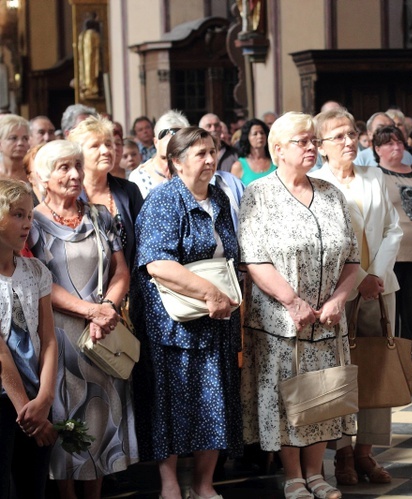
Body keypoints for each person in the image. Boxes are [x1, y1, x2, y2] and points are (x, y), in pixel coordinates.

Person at [239, 112, 358, 499]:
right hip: (282, 320)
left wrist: (339, 299)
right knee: (288, 398)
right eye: (302, 141)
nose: (311, 147)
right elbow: (254, 259)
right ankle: (293, 476)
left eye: (313, 141)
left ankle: (317, 473)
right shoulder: (259, 194)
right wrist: (292, 301)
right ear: (277, 150)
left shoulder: (330, 193)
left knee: (323, 395)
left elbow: (353, 259)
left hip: (327, 319)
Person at [131, 127, 243, 499]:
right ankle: (169, 485)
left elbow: (228, 255)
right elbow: (156, 264)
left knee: (216, 401)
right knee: (172, 404)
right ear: (176, 162)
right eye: (200, 154)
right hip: (175, 325)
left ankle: (204, 484)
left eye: (213, 152)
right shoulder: (165, 201)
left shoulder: (220, 199)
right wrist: (209, 292)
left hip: (217, 321)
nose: (210, 160)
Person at [28, 140, 138, 497]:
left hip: (103, 334)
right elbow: (42, 279)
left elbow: (121, 271)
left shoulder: (99, 215)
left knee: (102, 418)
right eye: (63, 167)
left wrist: (107, 306)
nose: (75, 174)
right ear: (44, 177)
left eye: (77, 165)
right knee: (65, 419)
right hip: (59, 337)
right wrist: (91, 310)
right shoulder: (32, 222)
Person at [308, 110, 402, 488]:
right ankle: (343, 453)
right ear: (321, 146)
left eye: (352, 134)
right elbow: (328, 240)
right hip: (337, 290)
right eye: (338, 137)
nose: (349, 142)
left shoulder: (372, 174)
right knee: (341, 371)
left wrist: (376, 274)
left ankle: (366, 452)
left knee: (377, 367)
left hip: (381, 287)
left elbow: (393, 228)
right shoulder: (315, 182)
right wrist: (360, 278)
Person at [0, 178, 58, 499]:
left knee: (32, 488)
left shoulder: (35, 270)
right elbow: (1, 355)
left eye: (30, 215)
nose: (27, 223)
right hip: (10, 401)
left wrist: (46, 397)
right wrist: (29, 415)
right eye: (18, 215)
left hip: (37, 397)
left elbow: (48, 338)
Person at [373, 126, 412, 375]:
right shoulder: (374, 175)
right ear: (377, 149)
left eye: (399, 143)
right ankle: (390, 354)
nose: (396, 147)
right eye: (389, 144)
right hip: (391, 251)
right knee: (391, 306)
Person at [68, 115, 143, 269]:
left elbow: (144, 242)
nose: (106, 151)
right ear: (78, 154)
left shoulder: (129, 191)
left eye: (108, 144)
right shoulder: (68, 193)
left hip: (129, 284)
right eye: (95, 146)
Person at [130, 110, 189, 198]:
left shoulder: (191, 172)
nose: (172, 142)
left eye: (177, 138)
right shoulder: (139, 177)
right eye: (166, 137)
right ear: (156, 142)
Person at [231, 118, 276, 185]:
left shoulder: (275, 162)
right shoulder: (238, 166)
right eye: (255, 134)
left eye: (262, 133)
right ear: (247, 138)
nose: (260, 136)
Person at [0, 115, 30, 183]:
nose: (20, 143)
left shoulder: (35, 174)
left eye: (25, 138)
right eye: (13, 138)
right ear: (0, 144)